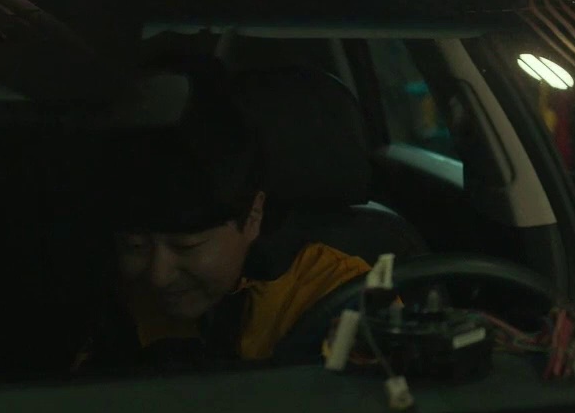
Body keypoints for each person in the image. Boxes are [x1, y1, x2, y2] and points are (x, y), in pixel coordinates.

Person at [72, 69, 371, 372]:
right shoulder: (110, 294)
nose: (157, 276)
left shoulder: (342, 296)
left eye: (186, 246)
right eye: (134, 246)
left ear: (252, 216)